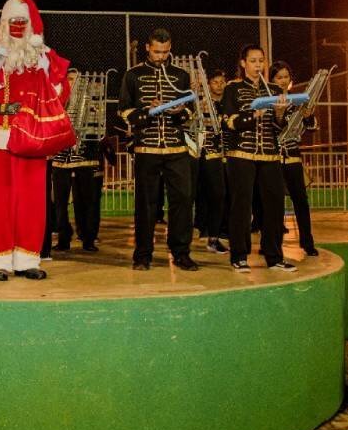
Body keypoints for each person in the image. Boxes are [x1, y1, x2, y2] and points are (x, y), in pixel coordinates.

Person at [0, 0, 72, 281]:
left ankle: (27, 259)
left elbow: (62, 93)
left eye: (22, 22)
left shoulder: (43, 54)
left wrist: (49, 73)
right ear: (3, 23)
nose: (17, 27)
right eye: (12, 21)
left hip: (33, 137)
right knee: (0, 200)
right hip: (0, 134)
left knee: (32, 200)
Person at [118, 29, 198, 271]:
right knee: (146, 204)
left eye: (165, 52)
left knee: (183, 200)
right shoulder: (132, 75)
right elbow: (124, 111)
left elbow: (191, 112)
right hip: (147, 148)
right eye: (156, 52)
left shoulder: (181, 75)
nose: (161, 57)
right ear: (147, 48)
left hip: (176, 146)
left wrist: (178, 112)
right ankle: (143, 255)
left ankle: (181, 252)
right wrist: (147, 112)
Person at [221, 44, 296, 272]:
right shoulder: (232, 88)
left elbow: (279, 127)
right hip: (241, 154)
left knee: (274, 204)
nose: (258, 65)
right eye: (253, 61)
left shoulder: (273, 89)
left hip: (269, 154)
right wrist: (253, 116)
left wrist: (280, 114)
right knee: (241, 206)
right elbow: (229, 122)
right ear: (243, 63)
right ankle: (239, 255)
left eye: (261, 61)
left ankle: (274, 256)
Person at [270, 60, 319, 256]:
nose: (283, 81)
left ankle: (307, 242)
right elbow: (269, 130)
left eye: (286, 77)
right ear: (272, 79)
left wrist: (307, 115)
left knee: (301, 200)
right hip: (273, 159)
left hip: (292, 158)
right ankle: (273, 246)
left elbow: (312, 127)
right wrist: (279, 115)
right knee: (274, 203)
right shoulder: (267, 100)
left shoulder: (297, 101)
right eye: (279, 77)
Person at [51, 73, 100, 252]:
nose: (74, 82)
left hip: (84, 159)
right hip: (60, 158)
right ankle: (64, 238)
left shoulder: (91, 104)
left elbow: (97, 132)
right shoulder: (55, 103)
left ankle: (87, 238)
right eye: (70, 79)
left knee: (86, 201)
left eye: (77, 79)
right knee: (60, 203)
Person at [194, 69, 228, 253]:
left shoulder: (228, 103)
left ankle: (216, 235)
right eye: (215, 82)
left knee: (222, 195)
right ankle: (205, 232)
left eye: (222, 81)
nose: (219, 85)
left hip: (226, 155)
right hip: (208, 153)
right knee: (208, 194)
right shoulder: (202, 104)